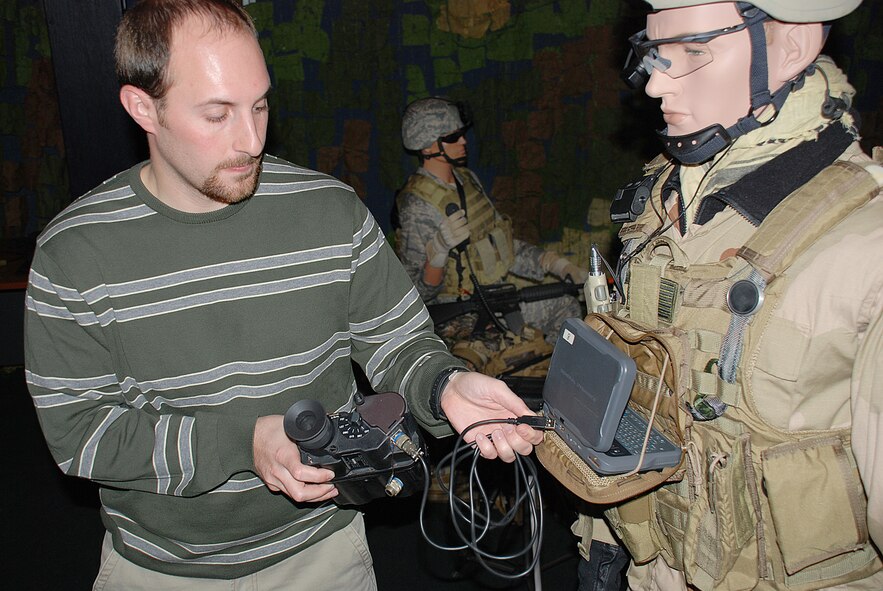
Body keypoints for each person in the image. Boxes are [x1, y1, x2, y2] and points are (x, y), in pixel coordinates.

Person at [23, 1, 543, 589]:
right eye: (217, 114)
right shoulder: (74, 253)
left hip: (324, 553)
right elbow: (79, 435)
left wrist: (445, 384)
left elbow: (399, 345)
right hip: (162, 567)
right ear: (143, 107)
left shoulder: (331, 211)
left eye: (261, 105)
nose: (251, 140)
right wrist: (243, 442)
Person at [555, 1, 882, 589]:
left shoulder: (864, 246)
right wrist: (602, 540)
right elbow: (636, 394)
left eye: (693, 52)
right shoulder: (659, 207)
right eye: (653, 54)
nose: (655, 82)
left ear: (789, 47)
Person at [395, 96, 587, 349]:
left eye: (461, 133)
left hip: (494, 296)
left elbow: (500, 243)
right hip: (458, 313)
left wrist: (556, 264)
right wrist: (437, 254)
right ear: (427, 146)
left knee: (566, 306)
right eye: (453, 137)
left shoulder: (467, 180)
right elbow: (414, 295)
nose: (463, 141)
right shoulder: (417, 205)